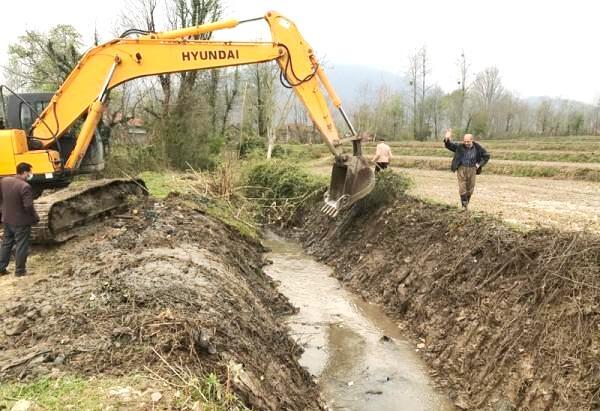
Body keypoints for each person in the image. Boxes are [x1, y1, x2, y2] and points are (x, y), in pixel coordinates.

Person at [0, 163, 39, 276]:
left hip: (7, 219)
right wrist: (34, 217)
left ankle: (1, 268)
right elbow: (28, 206)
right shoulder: (25, 186)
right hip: (21, 222)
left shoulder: (4, 181)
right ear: (25, 172)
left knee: (6, 244)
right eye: (29, 173)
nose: (30, 175)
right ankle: (20, 271)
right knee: (22, 245)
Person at [443, 129, 490, 210]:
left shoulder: (478, 148)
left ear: (472, 140)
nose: (466, 143)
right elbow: (449, 145)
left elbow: (486, 156)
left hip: (472, 169)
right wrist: (447, 138)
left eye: (468, 141)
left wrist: (479, 164)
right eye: (465, 141)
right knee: (462, 187)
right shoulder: (460, 147)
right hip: (461, 168)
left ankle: (466, 203)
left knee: (470, 189)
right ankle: (464, 206)